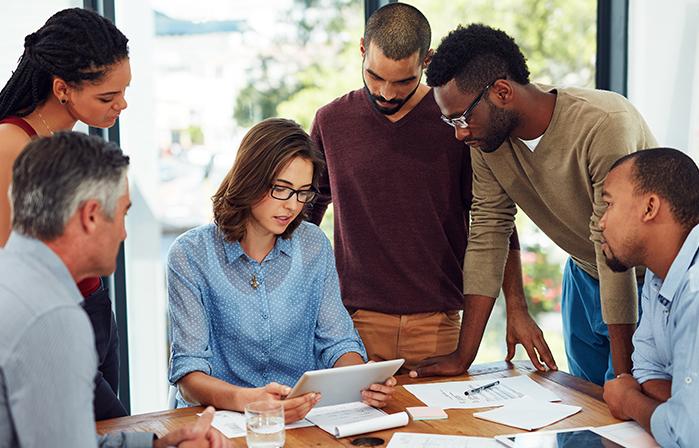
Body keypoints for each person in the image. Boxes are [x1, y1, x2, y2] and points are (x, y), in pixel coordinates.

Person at [308, 3, 556, 376]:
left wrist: (517, 306)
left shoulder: (459, 124)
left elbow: (495, 221)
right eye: (375, 76)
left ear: (428, 60)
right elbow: (306, 212)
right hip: (352, 325)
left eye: (403, 81)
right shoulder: (331, 121)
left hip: (437, 325)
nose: (387, 92)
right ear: (362, 49)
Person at [421, 23, 658, 385]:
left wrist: (624, 374)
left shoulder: (604, 124)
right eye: (449, 120)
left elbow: (611, 246)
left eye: (462, 117)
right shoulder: (487, 141)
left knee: (630, 407)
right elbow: (488, 230)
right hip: (583, 275)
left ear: (502, 91)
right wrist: (462, 356)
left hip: (651, 284)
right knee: (587, 406)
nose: (460, 132)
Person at [0, 131, 232, 448]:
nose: (124, 233)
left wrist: (156, 445)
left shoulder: (12, 278)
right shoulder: (53, 319)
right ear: (92, 215)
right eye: (124, 213)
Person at [167, 118, 396, 423]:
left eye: (303, 193)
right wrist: (248, 400)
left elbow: (337, 341)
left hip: (301, 419)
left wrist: (361, 382)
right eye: (282, 189)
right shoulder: (190, 254)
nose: (293, 206)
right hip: (222, 423)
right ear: (249, 178)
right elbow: (188, 374)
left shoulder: (313, 244)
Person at [0, 7, 131, 419]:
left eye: (124, 91)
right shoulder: (11, 144)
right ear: (62, 88)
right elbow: (13, 269)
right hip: (54, 319)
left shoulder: (64, 139)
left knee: (112, 431)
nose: (122, 105)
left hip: (94, 308)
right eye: (108, 97)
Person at [601, 148, 699, 447]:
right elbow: (647, 369)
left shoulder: (695, 291)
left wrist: (630, 401)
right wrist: (681, 407)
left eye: (609, 204)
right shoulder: (660, 277)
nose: (601, 222)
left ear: (649, 207)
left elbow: (687, 434)